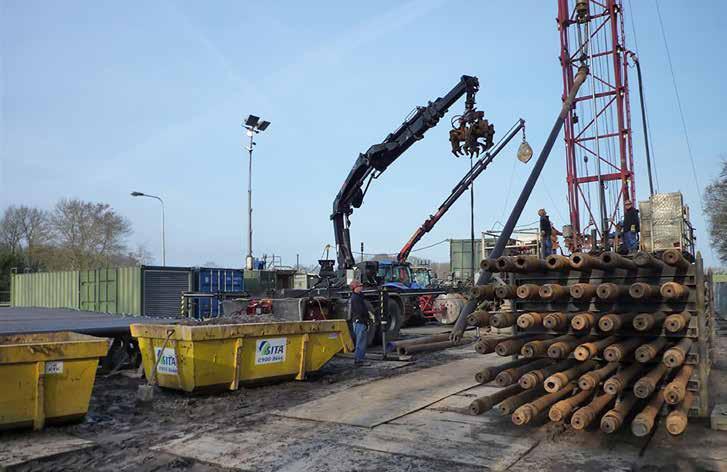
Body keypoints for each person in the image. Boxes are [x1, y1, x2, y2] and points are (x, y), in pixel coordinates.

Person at [349, 280, 370, 366]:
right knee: (361, 342)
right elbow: (360, 311)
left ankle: (359, 359)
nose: (361, 287)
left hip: (359, 322)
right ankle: (359, 360)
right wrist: (365, 320)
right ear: (355, 288)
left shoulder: (358, 297)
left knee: (361, 341)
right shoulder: (356, 298)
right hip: (360, 322)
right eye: (359, 286)